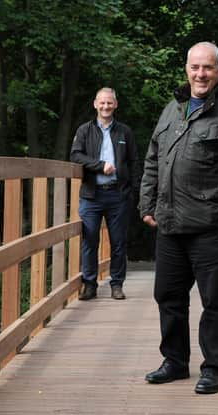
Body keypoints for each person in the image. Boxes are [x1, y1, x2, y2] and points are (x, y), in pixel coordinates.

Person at [139, 42, 218, 394]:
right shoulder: (172, 110)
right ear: (186, 69)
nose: (200, 74)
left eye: (208, 68)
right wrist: (146, 204)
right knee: (168, 296)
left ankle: (213, 369)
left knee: (216, 302)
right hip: (169, 223)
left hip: (213, 226)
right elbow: (153, 158)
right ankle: (175, 362)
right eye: (195, 67)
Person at [70, 87, 140, 301]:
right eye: (102, 103)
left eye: (109, 103)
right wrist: (100, 166)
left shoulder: (125, 131)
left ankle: (116, 284)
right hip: (92, 194)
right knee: (89, 241)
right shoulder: (84, 130)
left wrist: (135, 192)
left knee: (118, 242)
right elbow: (75, 155)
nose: (106, 106)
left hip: (118, 195)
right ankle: (89, 284)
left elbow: (134, 162)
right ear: (95, 104)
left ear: (115, 105)